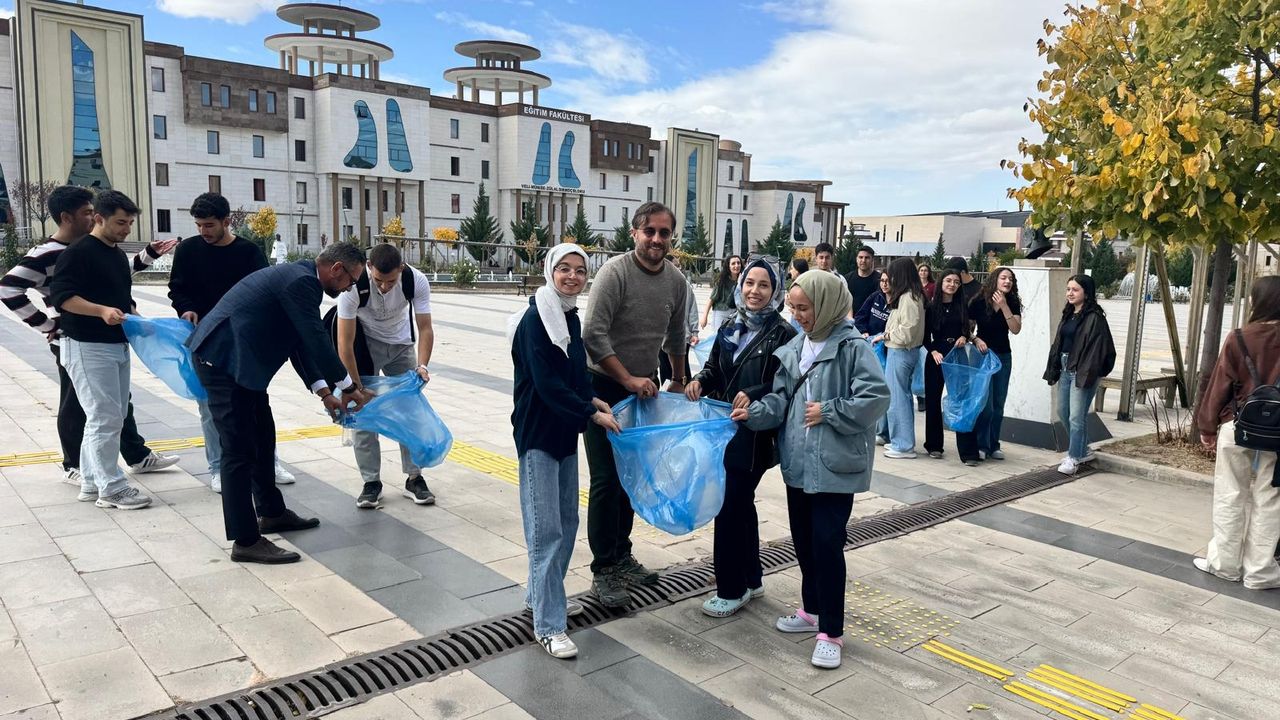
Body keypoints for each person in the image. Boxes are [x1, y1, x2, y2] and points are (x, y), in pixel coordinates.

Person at [732, 270, 889, 669]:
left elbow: (876, 398)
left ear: (828, 305)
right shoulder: (796, 348)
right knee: (803, 541)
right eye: (794, 308)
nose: (798, 315)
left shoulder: (853, 347)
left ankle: (831, 632)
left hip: (835, 468)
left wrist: (832, 411)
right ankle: (812, 610)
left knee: (826, 544)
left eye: (805, 308)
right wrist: (753, 413)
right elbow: (781, 401)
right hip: (799, 465)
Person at [187, 242, 373, 563]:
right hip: (223, 361)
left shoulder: (300, 279)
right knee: (237, 452)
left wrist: (326, 394)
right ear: (337, 269)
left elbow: (298, 342)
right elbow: (315, 338)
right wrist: (348, 387)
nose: (349, 289)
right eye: (351, 281)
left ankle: (271, 512)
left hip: (241, 366)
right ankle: (245, 540)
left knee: (262, 437)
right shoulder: (301, 282)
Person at [1, 185, 179, 487]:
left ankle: (135, 454)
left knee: (116, 403)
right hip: (74, 339)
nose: (93, 218)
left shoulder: (92, 247)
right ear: (66, 217)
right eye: (87, 213)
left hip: (104, 336)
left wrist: (147, 256)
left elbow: (111, 275)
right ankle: (75, 465)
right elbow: (8, 288)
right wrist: (48, 326)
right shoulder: (47, 254)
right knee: (77, 405)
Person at [509, 243, 621, 659]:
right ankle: (549, 624)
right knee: (545, 530)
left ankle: (540, 594)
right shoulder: (537, 320)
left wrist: (591, 400)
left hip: (564, 430)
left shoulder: (568, 317)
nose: (573, 276)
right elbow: (546, 384)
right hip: (539, 432)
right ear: (549, 271)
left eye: (580, 269)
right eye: (564, 269)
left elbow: (574, 373)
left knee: (567, 521)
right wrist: (590, 415)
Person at [581, 201, 690, 608]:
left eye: (664, 233)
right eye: (650, 232)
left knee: (633, 478)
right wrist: (626, 378)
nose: (657, 240)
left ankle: (623, 557)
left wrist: (678, 378)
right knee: (608, 480)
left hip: (644, 393)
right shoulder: (615, 273)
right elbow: (594, 334)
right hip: (604, 389)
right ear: (635, 233)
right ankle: (603, 568)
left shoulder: (676, 281)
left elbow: (676, 334)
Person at [685, 257, 796, 617]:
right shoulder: (732, 324)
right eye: (750, 283)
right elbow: (716, 367)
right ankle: (751, 578)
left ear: (775, 291)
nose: (755, 291)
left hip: (755, 433)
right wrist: (701, 380)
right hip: (725, 430)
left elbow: (785, 383)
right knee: (740, 504)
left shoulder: (784, 335)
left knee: (729, 507)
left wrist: (756, 390)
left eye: (764, 285)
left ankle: (730, 589)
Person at [169, 193, 300, 494]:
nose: (204, 231)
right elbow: (177, 289)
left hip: (244, 340)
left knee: (254, 404)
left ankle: (267, 462)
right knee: (211, 408)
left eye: (210, 225)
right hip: (204, 338)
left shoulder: (248, 252)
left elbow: (265, 291)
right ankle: (217, 467)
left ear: (227, 222)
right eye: (199, 225)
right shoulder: (187, 250)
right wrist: (186, 308)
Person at [49, 191, 168, 510]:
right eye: (120, 222)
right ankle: (112, 488)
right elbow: (63, 297)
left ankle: (91, 482)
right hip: (86, 346)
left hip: (116, 344)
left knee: (107, 415)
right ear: (98, 218)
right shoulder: (78, 253)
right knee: (105, 416)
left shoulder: (116, 256)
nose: (127, 229)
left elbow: (121, 299)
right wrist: (101, 311)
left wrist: (139, 320)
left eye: (130, 222)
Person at [1193, 276, 1280, 590]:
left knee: (1231, 493)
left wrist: (1207, 427)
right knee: (1271, 499)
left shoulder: (1239, 337)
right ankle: (1260, 572)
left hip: (1238, 423)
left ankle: (1225, 565)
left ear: (1257, 301)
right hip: (1279, 433)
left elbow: (1219, 385)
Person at [335, 243, 437, 509]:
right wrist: (354, 386)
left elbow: (425, 328)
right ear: (369, 268)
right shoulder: (353, 287)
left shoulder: (416, 281)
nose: (383, 287)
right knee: (363, 412)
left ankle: (415, 478)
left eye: (390, 281)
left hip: (401, 344)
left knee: (409, 410)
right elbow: (344, 343)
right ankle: (371, 483)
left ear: (401, 270)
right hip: (365, 345)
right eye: (379, 280)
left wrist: (423, 366)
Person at [1043, 274, 1115, 476]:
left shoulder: (1095, 318)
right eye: (1068, 289)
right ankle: (1083, 450)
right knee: (1062, 411)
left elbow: (1098, 350)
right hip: (1065, 367)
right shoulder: (1069, 313)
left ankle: (1074, 457)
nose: (1069, 293)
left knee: (1077, 415)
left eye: (1075, 290)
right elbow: (1059, 343)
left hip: (1083, 370)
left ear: (1086, 292)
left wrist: (1086, 372)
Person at [922, 269, 980, 465]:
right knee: (932, 401)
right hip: (937, 357)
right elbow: (924, 336)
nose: (952, 284)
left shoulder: (962, 306)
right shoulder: (931, 307)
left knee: (962, 400)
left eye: (956, 282)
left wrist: (964, 336)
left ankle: (969, 452)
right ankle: (934, 445)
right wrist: (933, 351)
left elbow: (967, 328)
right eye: (948, 281)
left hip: (957, 356)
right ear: (941, 283)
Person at [970, 267, 1022, 460]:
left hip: (1003, 356)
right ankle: (982, 445)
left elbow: (1015, 329)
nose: (1007, 281)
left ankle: (994, 444)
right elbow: (966, 329)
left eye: (1010, 279)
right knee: (986, 404)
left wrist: (1005, 305)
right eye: (1003, 278)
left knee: (999, 403)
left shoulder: (1013, 302)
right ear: (995, 280)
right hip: (983, 355)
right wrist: (976, 340)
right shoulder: (979, 301)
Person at [882, 258, 925, 459]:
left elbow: (907, 331)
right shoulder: (911, 296)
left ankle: (903, 445)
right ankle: (901, 441)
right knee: (902, 398)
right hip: (902, 352)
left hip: (901, 351)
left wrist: (888, 335)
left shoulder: (909, 298)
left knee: (898, 399)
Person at [854, 271, 891, 445]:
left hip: (888, 349)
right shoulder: (875, 297)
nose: (884, 284)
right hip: (870, 346)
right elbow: (860, 316)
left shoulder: (897, 302)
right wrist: (863, 332)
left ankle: (884, 431)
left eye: (888, 281)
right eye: (882, 281)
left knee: (885, 389)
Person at [659, 272, 698, 384]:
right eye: (675, 265)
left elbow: (692, 308)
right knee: (665, 370)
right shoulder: (658, 284)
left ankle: (685, 393)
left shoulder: (684, 284)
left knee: (682, 370)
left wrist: (694, 332)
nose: (677, 269)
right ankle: (667, 395)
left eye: (678, 266)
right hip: (661, 338)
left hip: (682, 337)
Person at [702, 254, 741, 331]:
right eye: (733, 263)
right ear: (728, 266)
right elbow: (711, 299)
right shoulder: (722, 280)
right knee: (717, 336)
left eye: (738, 263)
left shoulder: (744, 279)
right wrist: (704, 317)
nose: (736, 265)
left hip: (735, 313)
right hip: (721, 311)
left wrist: (740, 283)